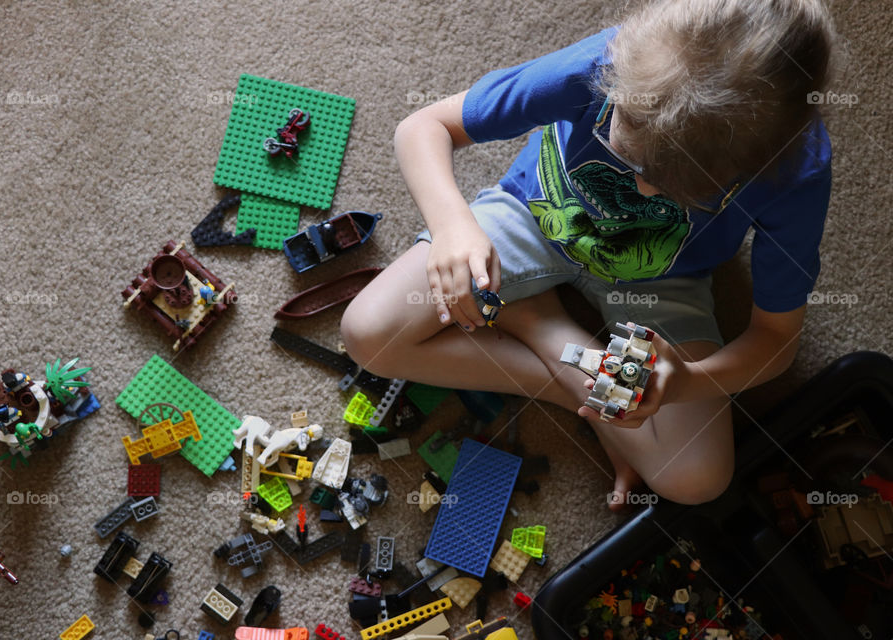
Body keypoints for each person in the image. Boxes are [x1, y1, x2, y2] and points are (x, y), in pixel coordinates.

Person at [341, 0, 836, 508]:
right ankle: (565, 374)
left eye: (672, 189)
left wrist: (683, 381)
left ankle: (538, 323)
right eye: (626, 155)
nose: (637, 190)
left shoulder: (797, 169)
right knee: (368, 334)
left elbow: (775, 340)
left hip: (664, 280)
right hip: (536, 213)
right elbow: (424, 127)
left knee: (697, 480)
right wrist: (452, 227)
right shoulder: (607, 60)